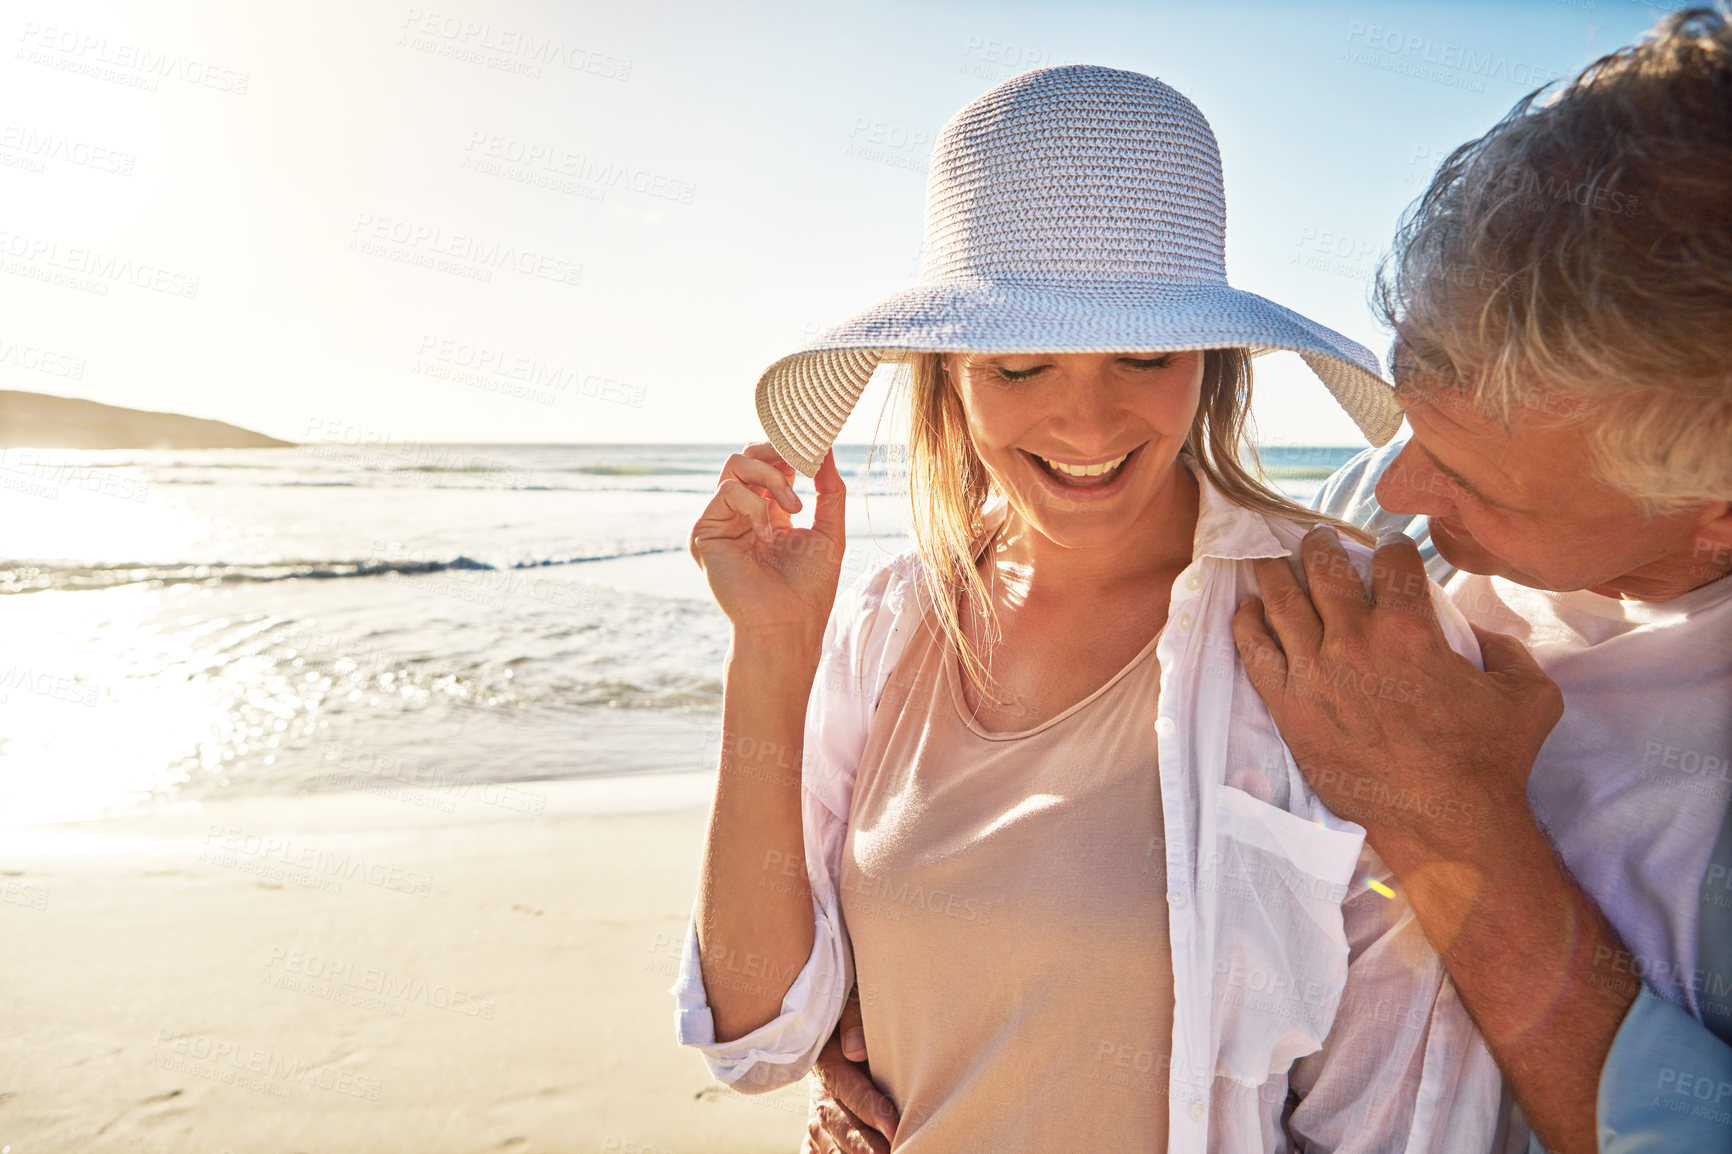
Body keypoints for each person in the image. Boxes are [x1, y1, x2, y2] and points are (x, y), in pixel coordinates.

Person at [807, 11, 1732, 1154]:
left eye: (1473, 476)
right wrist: (922, 995)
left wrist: (1455, 818)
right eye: (1412, 419)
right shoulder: (1339, 539)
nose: (1395, 484)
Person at [674, 66, 1507, 1151]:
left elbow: (1413, 1102)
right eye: (1021, 363)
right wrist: (771, 649)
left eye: (1144, 353)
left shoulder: (1338, 621)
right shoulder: (890, 625)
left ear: (1209, 363)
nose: (1088, 418)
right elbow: (756, 1037)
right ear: (948, 378)